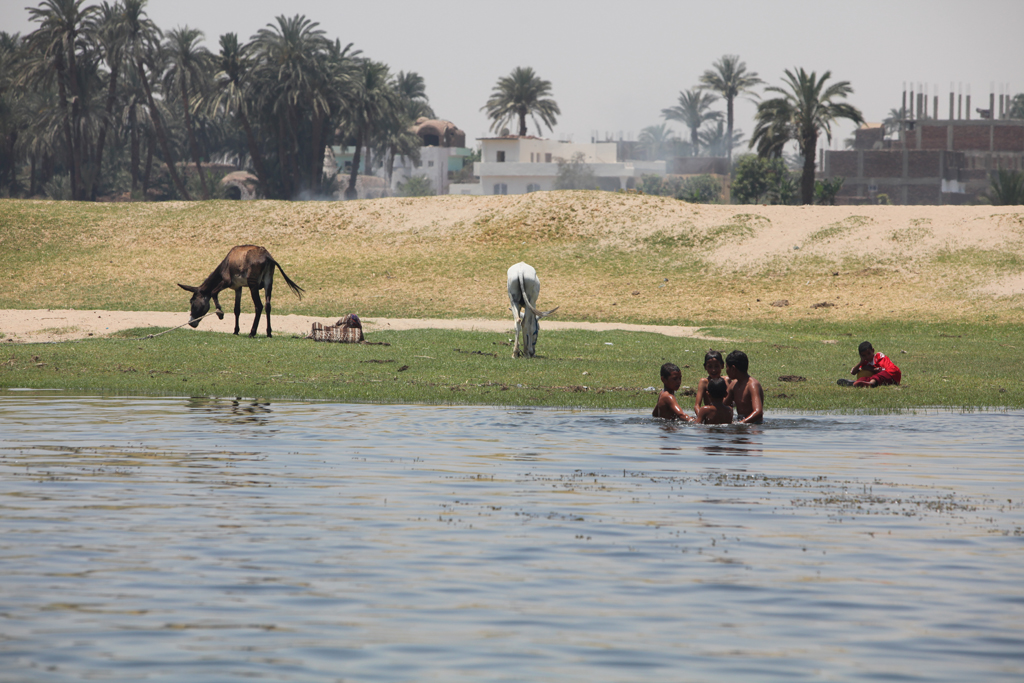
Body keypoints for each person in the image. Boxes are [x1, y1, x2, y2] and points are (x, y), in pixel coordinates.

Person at [724, 350, 764, 424]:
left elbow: (758, 412)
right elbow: (724, 405)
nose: (726, 370)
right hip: (741, 422)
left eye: (727, 367)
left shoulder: (752, 385)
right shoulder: (733, 385)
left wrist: (741, 424)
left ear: (733, 369)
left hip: (754, 426)